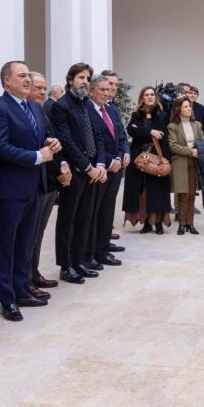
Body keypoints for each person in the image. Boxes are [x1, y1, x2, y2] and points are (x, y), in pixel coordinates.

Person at [0, 61, 62, 321]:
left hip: (33, 188)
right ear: (7, 81)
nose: (28, 79)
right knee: (5, 248)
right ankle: (7, 300)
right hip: (8, 191)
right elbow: (0, 147)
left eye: (28, 75)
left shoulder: (34, 107)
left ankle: (22, 290)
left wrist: (51, 142)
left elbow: (42, 138)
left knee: (24, 245)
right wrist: (36, 156)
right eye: (22, 76)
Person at [51, 63, 106, 284]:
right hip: (75, 172)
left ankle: (79, 260)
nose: (85, 81)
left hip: (92, 172)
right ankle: (66, 266)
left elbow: (98, 135)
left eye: (88, 78)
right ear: (70, 80)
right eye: (81, 77)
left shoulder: (87, 105)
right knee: (68, 220)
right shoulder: (61, 106)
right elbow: (66, 141)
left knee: (84, 219)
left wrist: (100, 164)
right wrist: (87, 167)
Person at [25, 72, 70, 300]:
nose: (42, 92)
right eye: (38, 88)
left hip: (48, 181)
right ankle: (26, 278)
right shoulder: (25, 112)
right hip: (32, 182)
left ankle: (34, 273)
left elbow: (52, 142)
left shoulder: (40, 111)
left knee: (38, 232)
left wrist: (62, 164)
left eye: (44, 89)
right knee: (28, 235)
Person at [86, 74, 129, 266]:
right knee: (94, 213)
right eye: (102, 89)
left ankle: (103, 249)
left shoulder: (111, 110)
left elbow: (121, 136)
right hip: (101, 169)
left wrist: (120, 156)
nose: (107, 92)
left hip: (116, 168)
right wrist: (109, 161)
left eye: (109, 89)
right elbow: (94, 142)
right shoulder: (87, 110)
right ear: (91, 91)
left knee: (107, 211)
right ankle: (91, 251)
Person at [123, 86, 172, 234]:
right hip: (139, 158)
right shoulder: (136, 114)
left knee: (157, 191)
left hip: (157, 157)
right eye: (146, 95)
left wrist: (143, 132)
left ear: (155, 97)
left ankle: (158, 223)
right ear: (142, 98)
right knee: (142, 192)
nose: (150, 97)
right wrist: (150, 131)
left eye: (152, 94)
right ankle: (146, 223)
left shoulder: (163, 115)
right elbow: (131, 130)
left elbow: (161, 134)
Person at [168, 96, 204, 235]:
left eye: (189, 106)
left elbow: (202, 141)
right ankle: (182, 224)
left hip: (195, 162)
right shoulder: (172, 126)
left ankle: (190, 223)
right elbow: (173, 146)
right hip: (180, 161)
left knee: (191, 194)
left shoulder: (197, 125)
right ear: (179, 109)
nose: (189, 108)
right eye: (185, 106)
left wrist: (199, 150)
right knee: (182, 194)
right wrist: (191, 151)